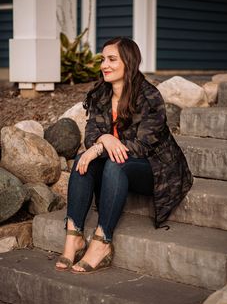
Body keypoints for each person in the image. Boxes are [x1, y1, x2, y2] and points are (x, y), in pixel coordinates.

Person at [55, 37, 193, 274]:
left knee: (115, 165)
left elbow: (142, 145)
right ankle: (74, 237)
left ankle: (102, 242)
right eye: (103, 59)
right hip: (118, 161)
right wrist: (104, 139)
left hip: (155, 169)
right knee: (81, 160)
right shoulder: (100, 93)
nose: (104, 65)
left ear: (128, 62)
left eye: (111, 59)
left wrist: (101, 146)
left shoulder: (149, 96)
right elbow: (91, 135)